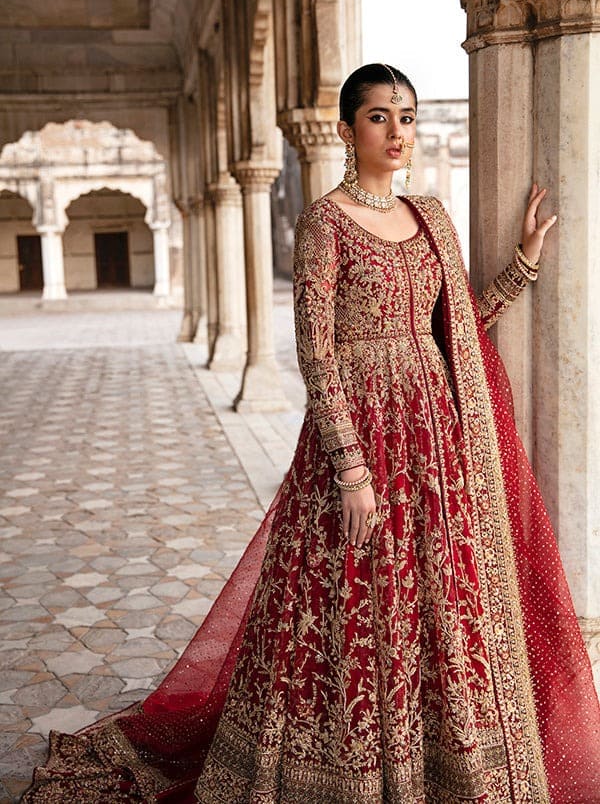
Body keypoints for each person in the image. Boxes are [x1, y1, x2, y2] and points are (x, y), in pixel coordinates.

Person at [23, 64, 600, 803]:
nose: (398, 132)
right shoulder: (325, 221)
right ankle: (344, 767)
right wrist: (352, 471)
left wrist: (523, 264)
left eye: (408, 117)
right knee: (347, 606)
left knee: (435, 607)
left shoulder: (431, 217)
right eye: (380, 117)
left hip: (434, 445)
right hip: (358, 438)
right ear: (346, 129)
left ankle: (441, 764)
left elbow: (457, 327)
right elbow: (316, 352)